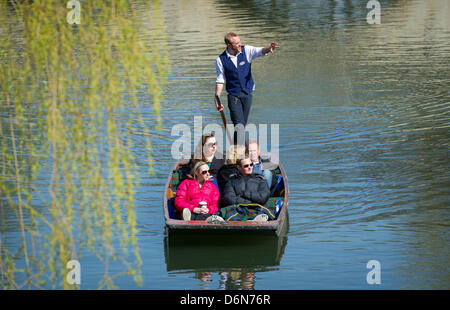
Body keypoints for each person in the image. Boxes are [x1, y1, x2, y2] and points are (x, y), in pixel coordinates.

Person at [214, 32, 279, 143]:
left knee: (241, 126)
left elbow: (259, 51)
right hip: (233, 96)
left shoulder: (247, 50)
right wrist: (217, 97)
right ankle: (241, 154)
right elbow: (220, 80)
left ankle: (236, 151)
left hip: (247, 94)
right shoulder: (220, 60)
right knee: (239, 126)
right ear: (229, 45)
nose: (240, 45)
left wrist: (269, 48)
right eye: (237, 43)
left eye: (240, 42)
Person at [222, 156, 271, 221]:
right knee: (229, 215)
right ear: (238, 167)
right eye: (246, 166)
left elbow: (263, 197)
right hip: (238, 209)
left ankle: (256, 220)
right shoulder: (231, 181)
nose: (249, 167)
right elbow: (229, 198)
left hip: (257, 208)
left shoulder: (260, 179)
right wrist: (247, 203)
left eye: (251, 165)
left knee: (262, 214)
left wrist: (244, 194)